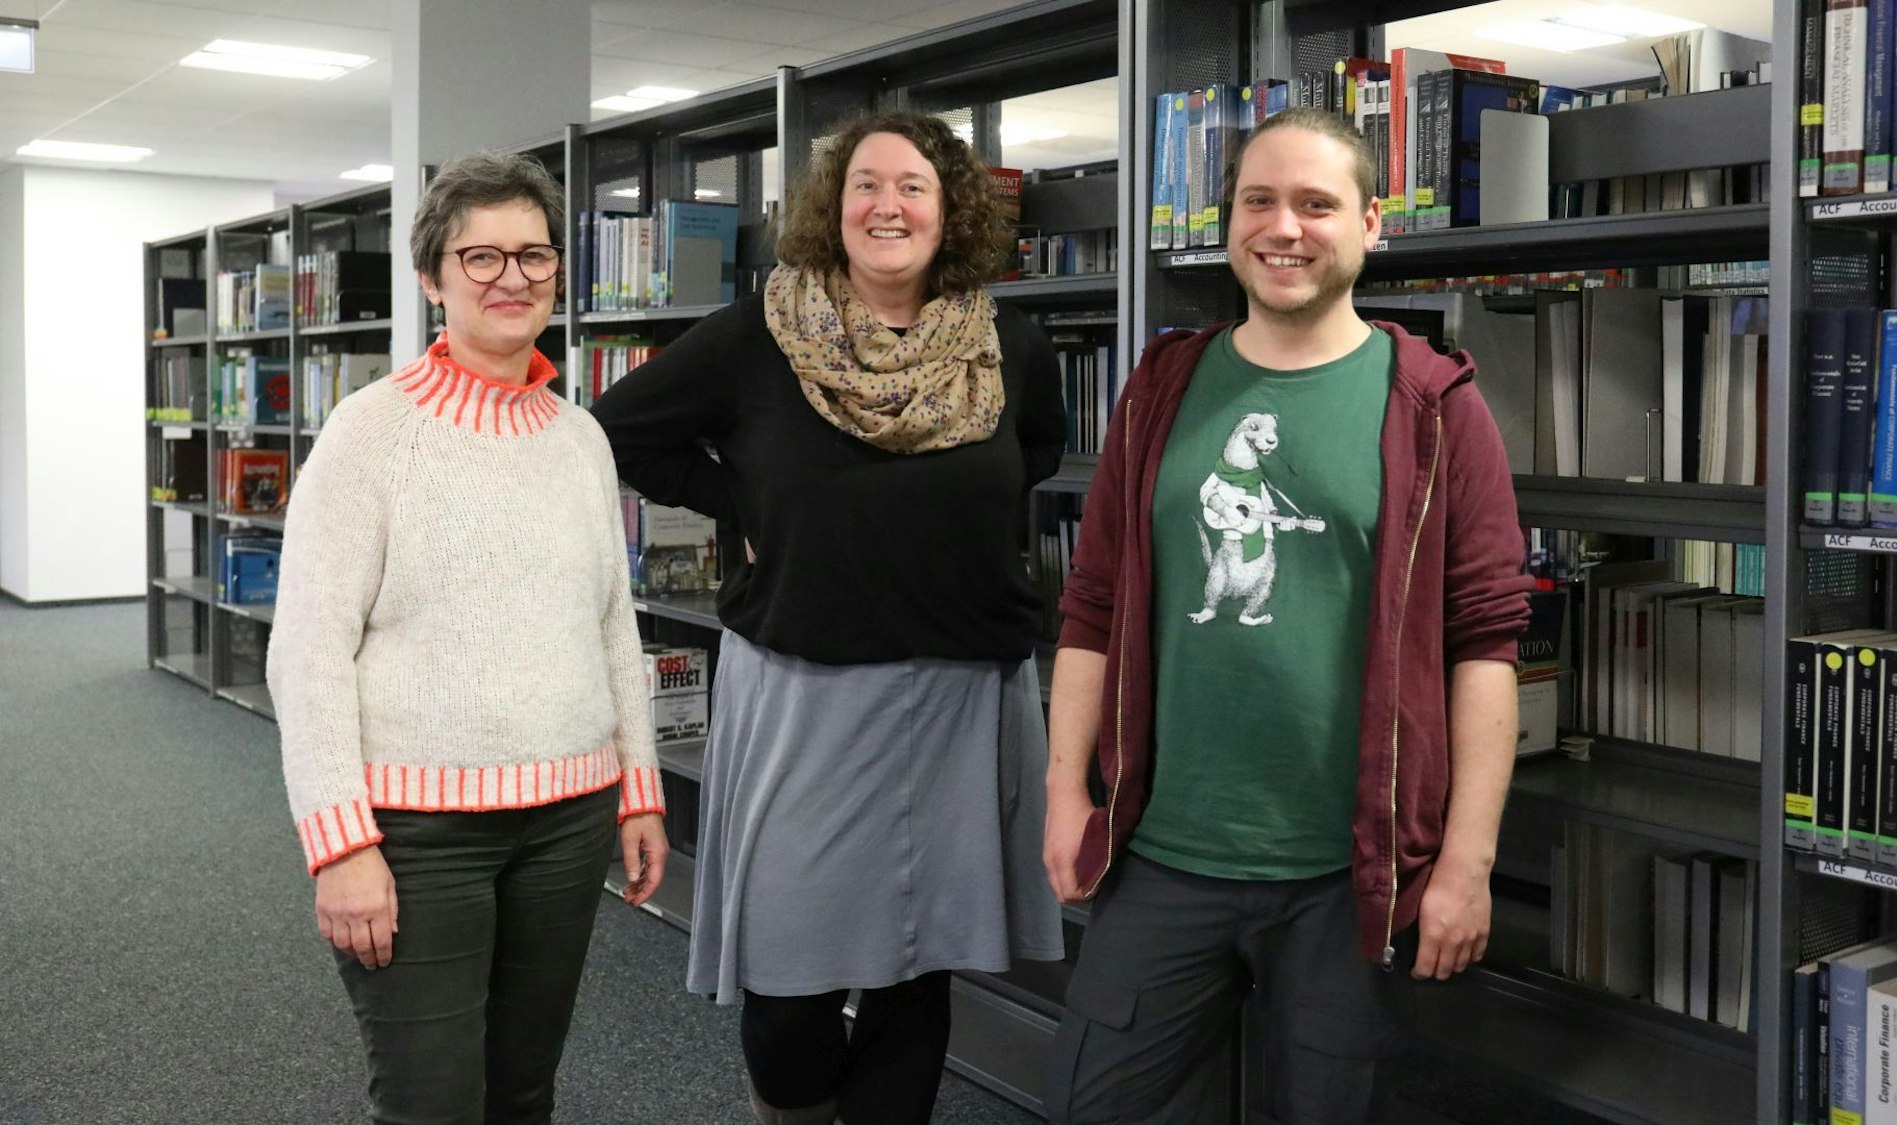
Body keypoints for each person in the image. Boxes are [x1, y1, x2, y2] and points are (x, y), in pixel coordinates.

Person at [1041, 105, 1534, 1124]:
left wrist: (1465, 867)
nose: (1283, 228)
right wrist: (1061, 797)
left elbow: (1483, 643)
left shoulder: (1435, 407)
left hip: (1344, 875)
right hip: (1159, 851)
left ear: (1369, 223)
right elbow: (1090, 607)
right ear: (1227, 222)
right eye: (1258, 201)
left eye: (1316, 204)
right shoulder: (1160, 390)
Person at [590, 112, 1068, 1125]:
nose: (885, 205)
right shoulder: (756, 337)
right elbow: (616, 432)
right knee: (789, 980)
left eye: (911, 187)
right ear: (830, 207)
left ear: (949, 213)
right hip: (805, 694)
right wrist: (750, 506)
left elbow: (1030, 460)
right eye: (864, 185)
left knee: (917, 969)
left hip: (958, 692)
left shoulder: (1011, 345)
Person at [267, 151, 669, 1125]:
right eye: (480, 257)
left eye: (533, 255)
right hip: (416, 835)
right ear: (432, 277)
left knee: (522, 1094)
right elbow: (307, 651)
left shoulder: (580, 437)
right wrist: (338, 846)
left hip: (569, 820)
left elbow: (613, 625)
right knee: (430, 1104)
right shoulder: (368, 434)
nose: (512, 278)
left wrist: (640, 790)